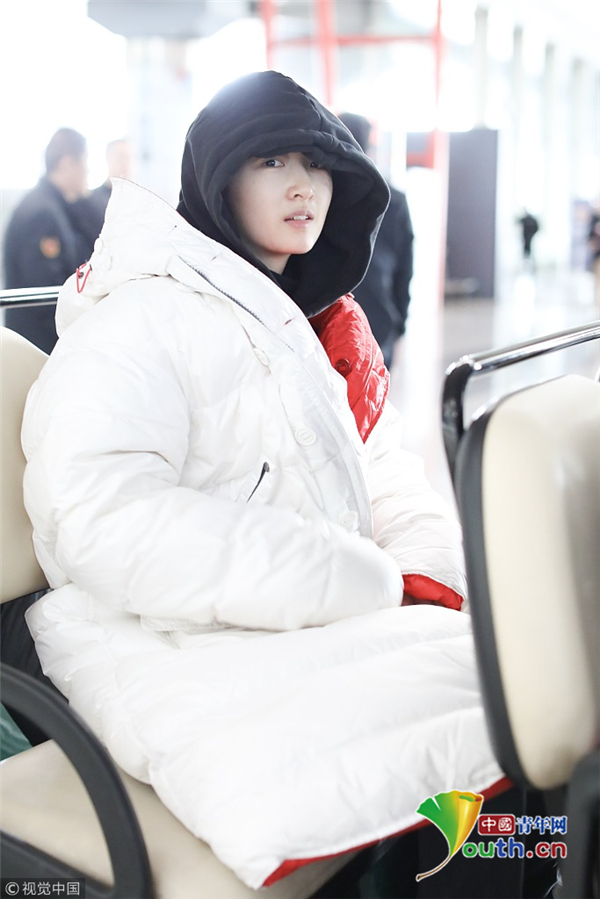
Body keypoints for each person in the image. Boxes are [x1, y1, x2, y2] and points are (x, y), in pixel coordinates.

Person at [20, 72, 509, 892]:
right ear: (218, 179)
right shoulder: (140, 315)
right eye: (271, 160)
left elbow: (379, 464)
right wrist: (348, 576)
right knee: (485, 767)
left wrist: (423, 570)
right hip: (176, 636)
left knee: (522, 717)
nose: (302, 185)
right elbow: (96, 515)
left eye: (318, 165)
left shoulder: (312, 324)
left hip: (306, 623)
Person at [3, 128, 93, 353]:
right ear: (67, 164)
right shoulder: (42, 213)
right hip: (38, 345)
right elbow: (46, 292)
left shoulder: (55, 206)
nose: (88, 170)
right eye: (84, 161)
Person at [338, 112, 414, 368]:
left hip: (331, 323)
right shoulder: (394, 199)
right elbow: (405, 269)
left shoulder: (323, 194)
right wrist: (400, 324)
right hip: (379, 321)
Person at [71, 138, 134, 248]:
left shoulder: (137, 204)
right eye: (121, 157)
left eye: (129, 159)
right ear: (108, 159)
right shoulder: (90, 202)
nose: (125, 164)